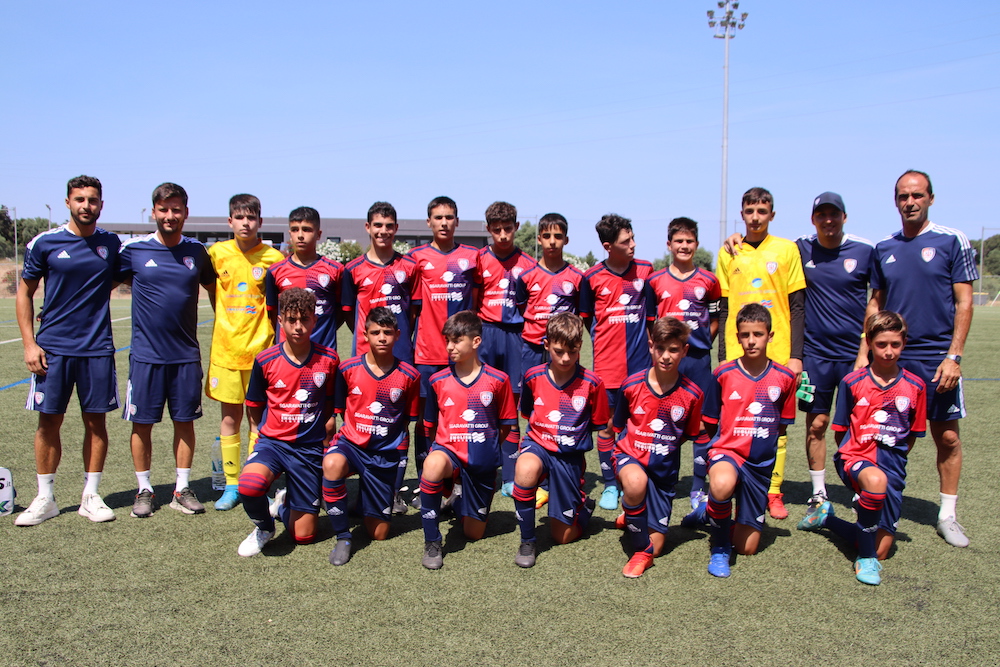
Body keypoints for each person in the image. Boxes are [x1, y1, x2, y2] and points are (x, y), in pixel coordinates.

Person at [856, 170, 977, 548]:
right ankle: (878, 502)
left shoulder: (951, 240)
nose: (910, 202)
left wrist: (954, 356)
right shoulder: (884, 248)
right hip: (894, 360)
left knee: (948, 437)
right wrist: (864, 354)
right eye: (903, 196)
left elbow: (964, 301)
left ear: (930, 198)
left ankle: (947, 515)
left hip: (937, 358)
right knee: (888, 436)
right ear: (896, 201)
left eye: (917, 195)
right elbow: (875, 303)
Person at [15, 175, 120, 525]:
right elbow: (25, 292)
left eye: (92, 200)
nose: (86, 206)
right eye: (79, 199)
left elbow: (121, 277)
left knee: (96, 422)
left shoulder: (111, 243)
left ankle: (91, 496)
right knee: (49, 422)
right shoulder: (45, 243)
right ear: (68, 202)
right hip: (53, 349)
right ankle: (45, 498)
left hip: (97, 348)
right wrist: (30, 343)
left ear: (101, 204)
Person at [799, 311, 925, 585]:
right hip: (855, 457)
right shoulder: (852, 382)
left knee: (881, 549)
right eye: (881, 344)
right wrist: (857, 464)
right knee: (875, 483)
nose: (888, 351)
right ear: (869, 343)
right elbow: (840, 431)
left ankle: (826, 518)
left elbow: (912, 436)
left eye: (895, 344)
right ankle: (865, 560)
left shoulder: (916, 386)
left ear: (904, 343)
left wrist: (892, 459)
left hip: (893, 464)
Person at [117, 183, 216, 518]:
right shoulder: (134, 250)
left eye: (176, 209)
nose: (170, 215)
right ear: (153, 212)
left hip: (185, 356)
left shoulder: (197, 252)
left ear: (186, 213)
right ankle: (144, 489)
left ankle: (181, 488)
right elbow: (100, 284)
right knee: (142, 424)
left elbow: (213, 288)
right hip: (146, 357)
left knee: (185, 422)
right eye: (163, 209)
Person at [717, 187, 805, 520]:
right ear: (742, 214)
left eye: (762, 211)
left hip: (777, 352)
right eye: (750, 211)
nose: (755, 217)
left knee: (776, 426)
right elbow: (724, 307)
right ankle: (737, 481)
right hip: (737, 353)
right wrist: (723, 354)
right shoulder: (729, 251)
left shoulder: (787, 249)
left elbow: (797, 306)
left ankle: (774, 491)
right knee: (736, 421)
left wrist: (796, 355)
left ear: (772, 214)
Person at [235, 288, 339, 557]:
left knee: (304, 536)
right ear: (280, 320)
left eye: (304, 319)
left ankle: (283, 503)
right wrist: (258, 437)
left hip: (308, 448)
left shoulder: (328, 360)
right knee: (249, 484)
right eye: (291, 319)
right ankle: (264, 527)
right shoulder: (265, 360)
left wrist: (325, 435)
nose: (298, 326)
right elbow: (254, 405)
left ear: (314, 320)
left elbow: (330, 403)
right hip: (273, 444)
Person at [793, 193, 873, 520]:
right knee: (817, 424)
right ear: (813, 219)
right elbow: (763, 247)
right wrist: (736, 239)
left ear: (844, 217)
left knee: (855, 426)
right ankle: (818, 493)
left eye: (834, 214)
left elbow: (878, 298)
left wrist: (866, 349)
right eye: (821, 214)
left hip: (855, 357)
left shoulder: (865, 251)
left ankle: (860, 485)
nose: (828, 220)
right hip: (815, 356)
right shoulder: (800, 248)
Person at [701, 304, 797, 578]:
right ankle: (720, 548)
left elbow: (781, 427)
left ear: (770, 335)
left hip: (760, 465)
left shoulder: (785, 378)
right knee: (722, 484)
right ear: (737, 337)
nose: (751, 340)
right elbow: (710, 423)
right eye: (745, 335)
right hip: (728, 453)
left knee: (747, 548)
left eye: (758, 334)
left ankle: (710, 512)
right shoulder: (723, 374)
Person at [418, 311, 516, 569]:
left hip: (481, 462)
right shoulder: (437, 380)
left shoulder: (498, 380)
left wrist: (485, 448)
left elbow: (506, 425)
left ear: (476, 341)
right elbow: (430, 427)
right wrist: (441, 451)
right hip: (449, 453)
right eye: (447, 341)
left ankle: (458, 500)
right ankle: (432, 541)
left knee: (473, 533)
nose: (450, 347)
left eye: (456, 340)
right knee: (432, 465)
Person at [323, 307, 420, 565]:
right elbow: (339, 410)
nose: (382, 338)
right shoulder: (348, 369)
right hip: (352, 446)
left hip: (384, 455)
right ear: (365, 335)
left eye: (387, 332)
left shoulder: (410, 376)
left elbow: (405, 423)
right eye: (375, 332)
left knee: (379, 534)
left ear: (397, 335)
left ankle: (364, 500)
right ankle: (343, 537)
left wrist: (396, 459)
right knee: (332, 463)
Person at [206, 194, 284, 511]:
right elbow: (212, 294)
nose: (245, 223)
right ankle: (231, 485)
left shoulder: (273, 258)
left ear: (260, 222)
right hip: (225, 352)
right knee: (229, 419)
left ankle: (256, 484)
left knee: (257, 421)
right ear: (230, 221)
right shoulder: (216, 254)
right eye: (239, 217)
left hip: (260, 353)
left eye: (251, 217)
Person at [512, 312, 608, 568]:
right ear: (546, 345)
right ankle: (527, 541)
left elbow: (599, 424)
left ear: (580, 347)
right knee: (525, 469)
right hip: (538, 445)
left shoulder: (592, 383)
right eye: (559, 351)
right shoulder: (533, 377)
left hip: (569, 457)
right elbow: (527, 412)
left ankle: (583, 508)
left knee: (563, 536)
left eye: (572, 351)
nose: (565, 358)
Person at [611, 317, 704, 578]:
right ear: (651, 346)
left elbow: (687, 434)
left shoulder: (692, 394)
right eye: (660, 348)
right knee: (635, 483)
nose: (665, 356)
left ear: (684, 351)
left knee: (659, 547)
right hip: (630, 458)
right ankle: (641, 551)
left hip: (664, 472)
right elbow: (619, 425)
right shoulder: (631, 385)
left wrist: (660, 447)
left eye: (673, 350)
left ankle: (632, 512)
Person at [580, 214, 654, 511]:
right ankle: (611, 483)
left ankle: (636, 478)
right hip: (608, 368)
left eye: (633, 237)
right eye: (626, 241)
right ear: (608, 246)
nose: (633, 244)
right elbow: (587, 321)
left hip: (641, 366)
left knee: (639, 424)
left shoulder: (646, 270)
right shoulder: (591, 278)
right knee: (609, 426)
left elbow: (653, 317)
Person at [646, 217, 719, 511]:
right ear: (669, 245)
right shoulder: (655, 281)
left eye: (689, 241)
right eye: (679, 241)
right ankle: (664, 480)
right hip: (667, 363)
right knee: (665, 421)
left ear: (697, 244)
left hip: (698, 360)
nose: (684, 246)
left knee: (701, 424)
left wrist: (701, 341)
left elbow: (716, 318)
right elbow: (651, 323)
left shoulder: (709, 281)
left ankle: (698, 486)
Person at [513, 212, 584, 506]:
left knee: (564, 407)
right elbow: (521, 307)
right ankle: (537, 471)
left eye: (558, 236)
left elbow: (580, 314)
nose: (552, 241)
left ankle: (563, 471)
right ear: (539, 239)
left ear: (566, 239)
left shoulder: (576, 277)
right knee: (533, 408)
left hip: (562, 352)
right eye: (547, 236)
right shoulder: (526, 276)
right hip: (533, 348)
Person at [408, 197, 479, 478]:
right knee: (424, 419)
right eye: (438, 217)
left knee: (460, 417)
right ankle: (426, 476)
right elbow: (412, 308)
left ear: (457, 221)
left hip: (462, 355)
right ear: (429, 222)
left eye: (449, 217)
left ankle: (459, 477)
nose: (444, 223)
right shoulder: (416, 257)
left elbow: (477, 301)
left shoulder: (472, 256)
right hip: (427, 353)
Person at [476, 201, 537, 499]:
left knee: (511, 405)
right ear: (488, 229)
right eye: (497, 229)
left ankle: (511, 476)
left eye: (508, 229)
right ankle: (485, 466)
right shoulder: (478, 260)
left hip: (516, 336)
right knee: (483, 402)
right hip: (486, 333)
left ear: (516, 227)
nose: (502, 235)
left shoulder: (528, 263)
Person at [341, 202, 418, 363]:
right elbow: (348, 313)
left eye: (389, 226)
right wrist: (369, 334)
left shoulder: (410, 266)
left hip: (400, 350)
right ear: (368, 227)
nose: (383, 231)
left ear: (396, 228)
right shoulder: (353, 269)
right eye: (378, 225)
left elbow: (413, 312)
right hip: (365, 352)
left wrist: (400, 333)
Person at [266, 206, 343, 349]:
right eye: (295, 230)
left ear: (318, 234)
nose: (300, 235)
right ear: (290, 234)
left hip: (323, 351)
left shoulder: (335, 270)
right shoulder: (275, 271)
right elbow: (273, 313)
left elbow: (341, 312)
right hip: (288, 353)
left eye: (307, 230)